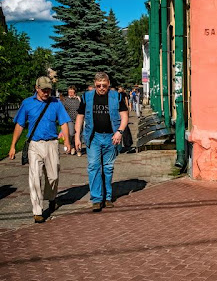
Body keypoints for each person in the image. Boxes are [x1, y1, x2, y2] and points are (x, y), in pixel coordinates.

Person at [9, 76, 71, 223]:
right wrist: (13, 146)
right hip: (35, 145)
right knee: (35, 178)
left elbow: (63, 122)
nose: (46, 92)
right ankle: (37, 211)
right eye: (43, 89)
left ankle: (51, 198)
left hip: (52, 144)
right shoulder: (27, 103)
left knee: (53, 176)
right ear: (36, 88)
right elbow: (19, 125)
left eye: (48, 89)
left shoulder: (56, 103)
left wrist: (67, 141)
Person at [75, 72, 129, 211]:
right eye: (98, 85)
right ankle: (97, 199)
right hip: (94, 137)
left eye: (104, 85)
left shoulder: (116, 97)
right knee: (93, 166)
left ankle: (108, 197)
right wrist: (77, 136)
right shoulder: (86, 97)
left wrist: (120, 131)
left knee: (108, 168)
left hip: (111, 137)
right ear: (95, 84)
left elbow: (124, 116)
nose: (101, 88)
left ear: (108, 84)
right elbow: (80, 117)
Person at [63, 85, 81, 156]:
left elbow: (82, 108)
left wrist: (79, 100)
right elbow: (63, 110)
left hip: (78, 119)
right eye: (69, 92)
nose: (70, 93)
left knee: (78, 134)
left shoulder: (78, 99)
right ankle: (72, 146)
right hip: (69, 119)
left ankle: (78, 150)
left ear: (75, 92)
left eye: (72, 92)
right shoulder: (65, 99)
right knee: (71, 133)